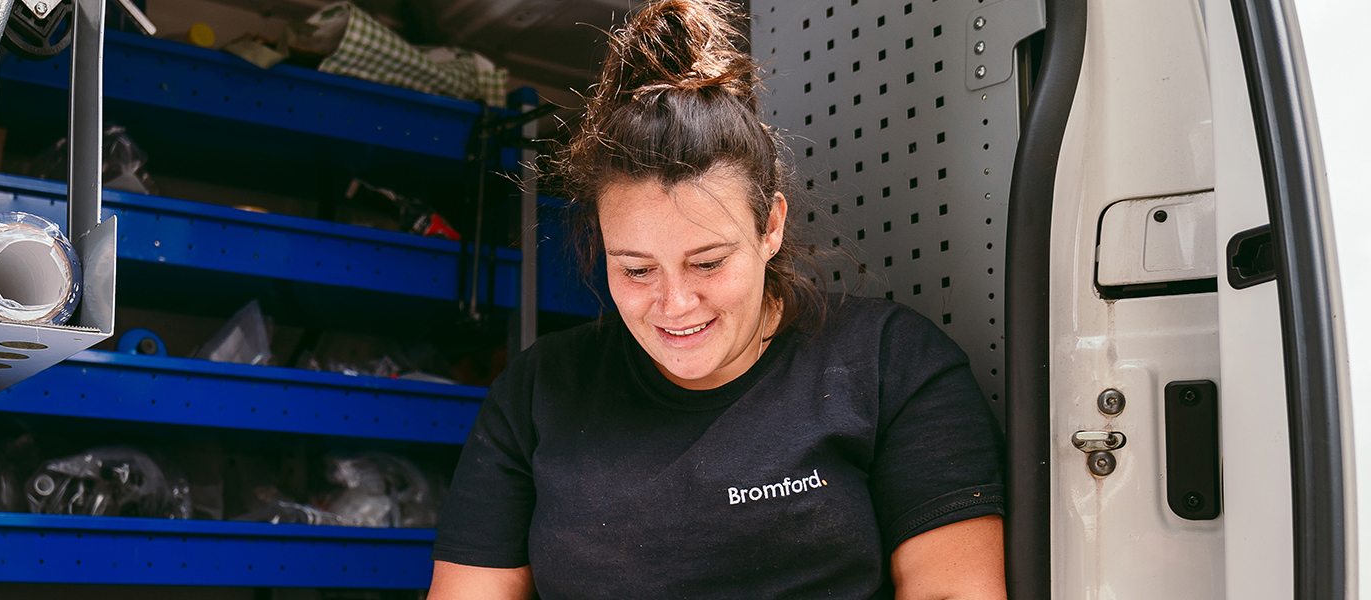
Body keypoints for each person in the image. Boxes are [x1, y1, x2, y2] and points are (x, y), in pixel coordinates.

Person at [424, 1, 1006, 598]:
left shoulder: (892, 365)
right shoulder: (537, 392)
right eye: (637, 269)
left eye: (708, 262)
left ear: (770, 227)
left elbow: (953, 589)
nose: (675, 303)